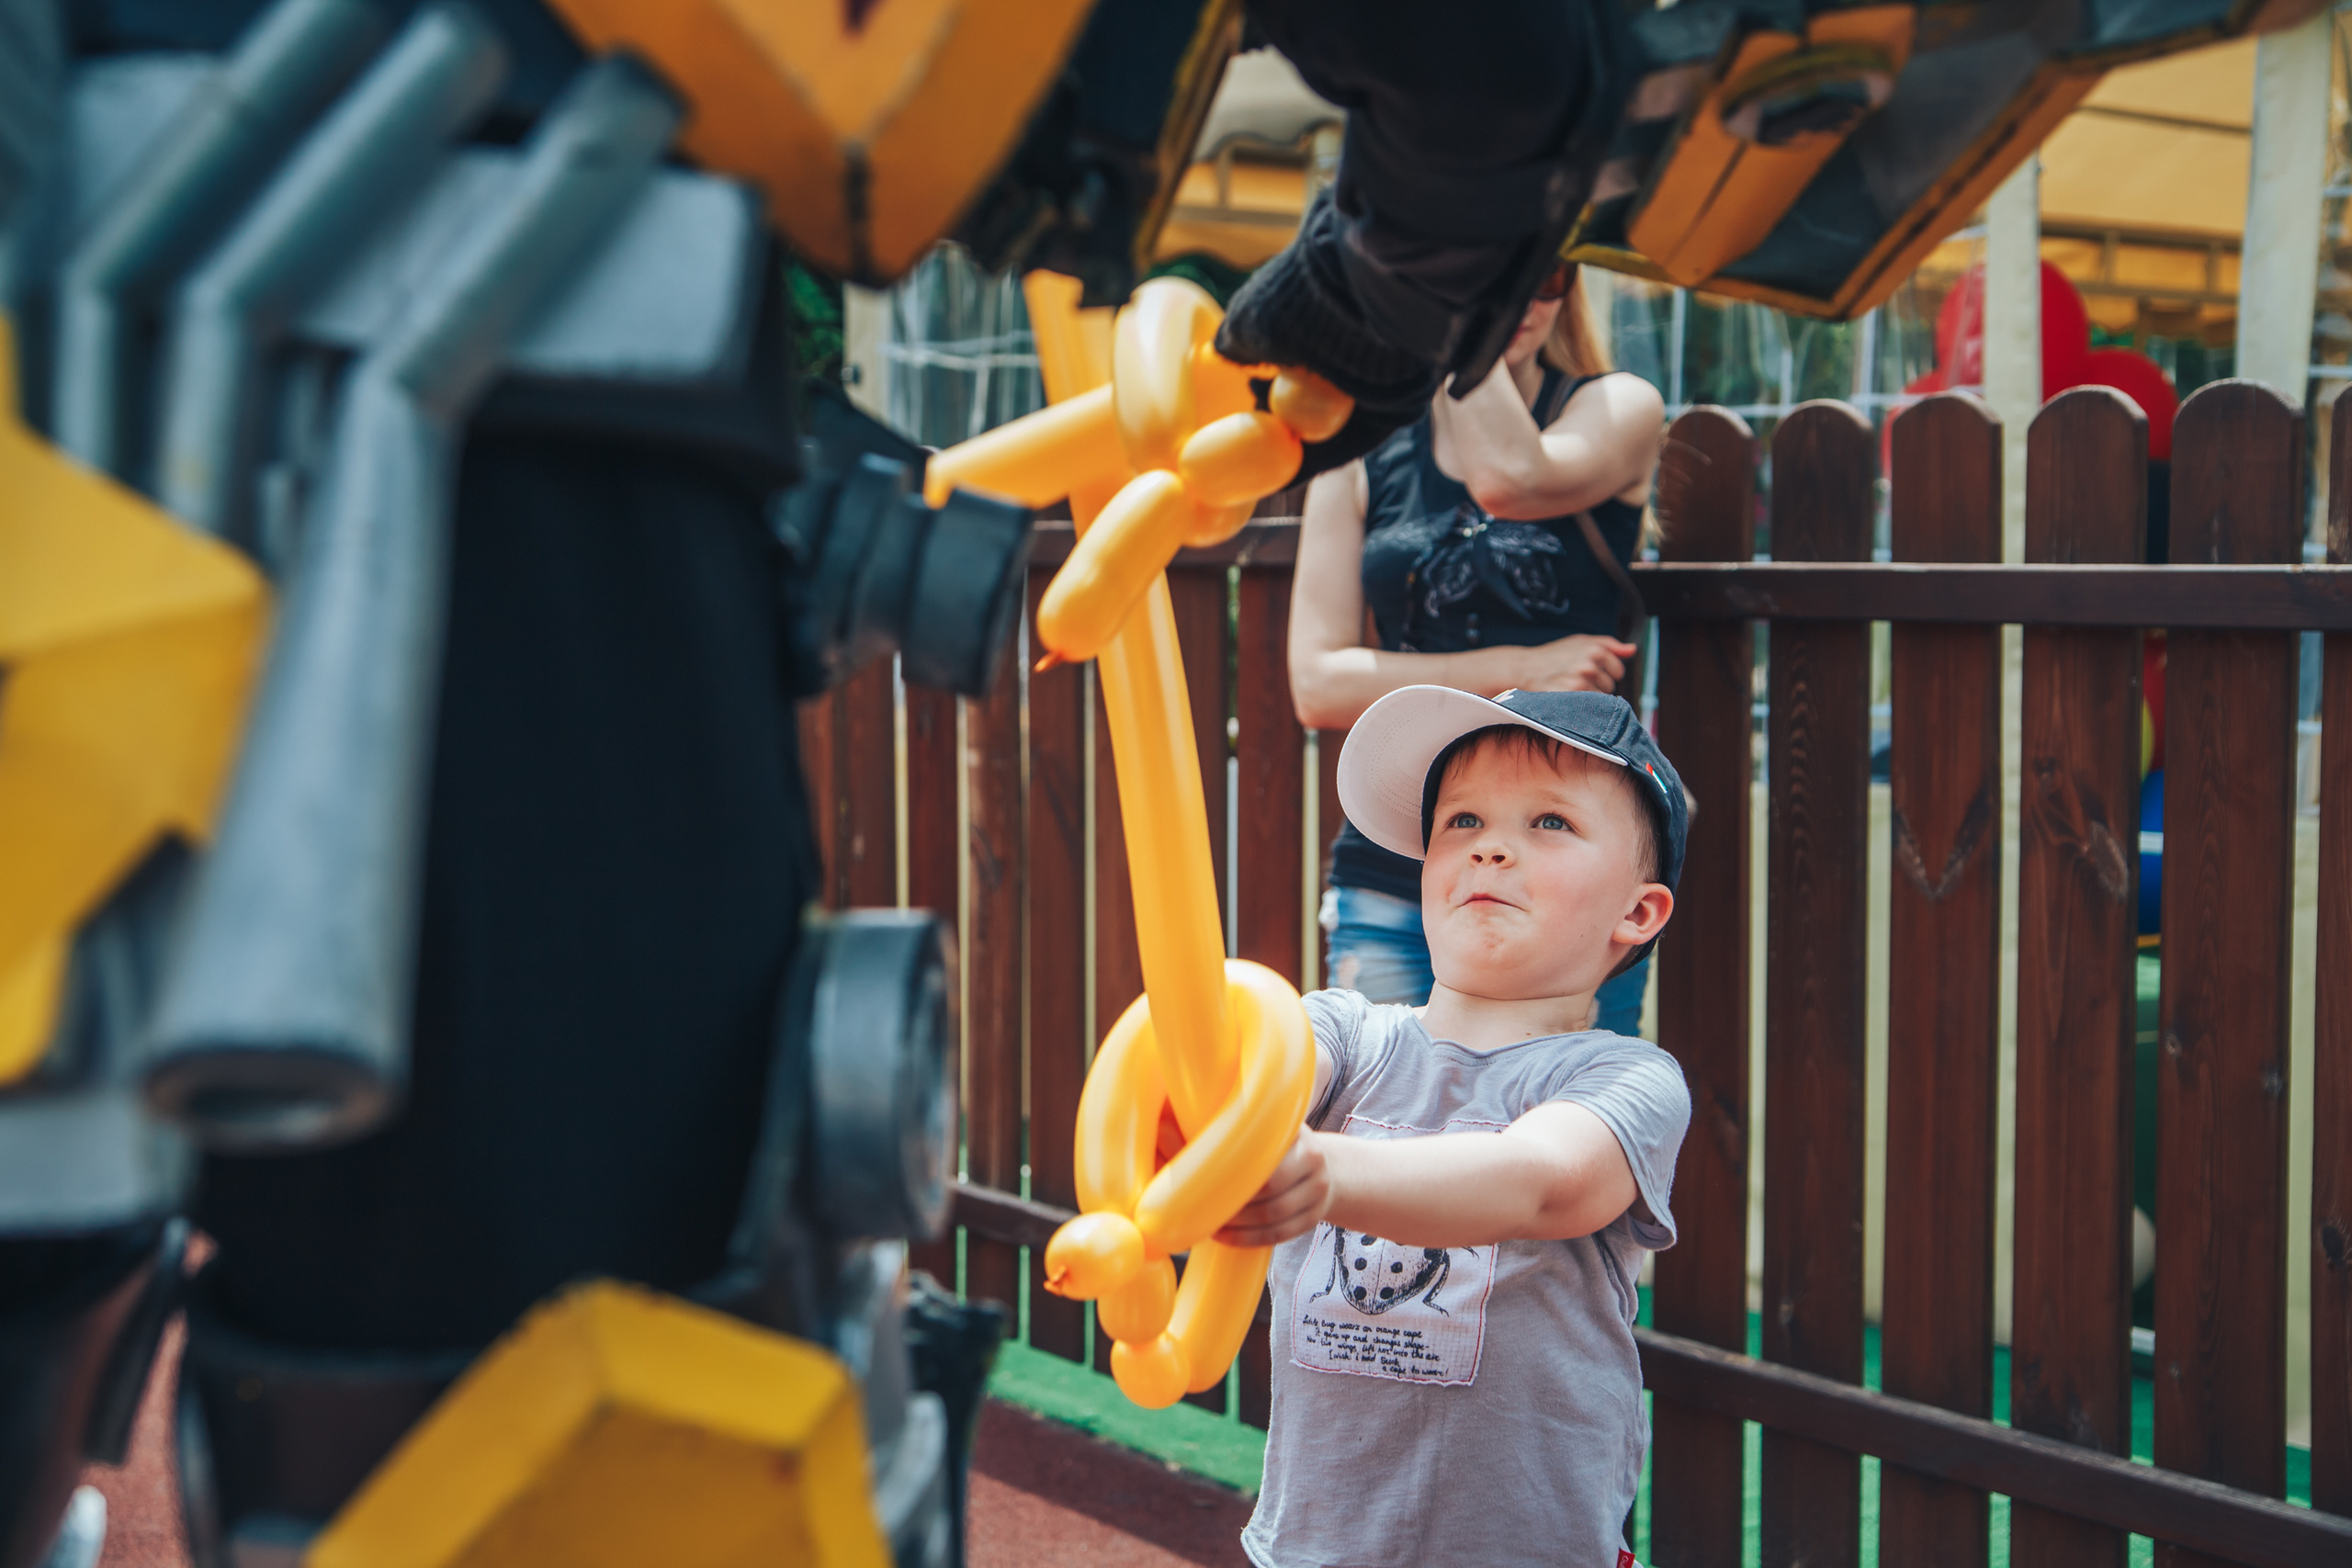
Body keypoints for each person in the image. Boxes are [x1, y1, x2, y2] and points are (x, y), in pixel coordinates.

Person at [1219, 684, 1690, 1568]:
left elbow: (1539, 1179)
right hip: (1318, 1549)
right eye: (1462, 821)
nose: (1492, 847)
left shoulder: (1624, 1077)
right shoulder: (1347, 1034)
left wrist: (1324, 1174)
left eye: (1549, 822)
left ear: (1638, 911)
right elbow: (1255, 1069)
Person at [1288, 256, 1664, 1032]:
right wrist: (1524, 670)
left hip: (1567, 877)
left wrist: (1458, 325)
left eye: (1542, 270)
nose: (1518, 296)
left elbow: (1509, 475)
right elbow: (1317, 682)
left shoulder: (1617, 406)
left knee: (1558, 1121)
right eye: (1481, 266)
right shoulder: (1362, 450)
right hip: (1401, 858)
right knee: (1376, 1114)